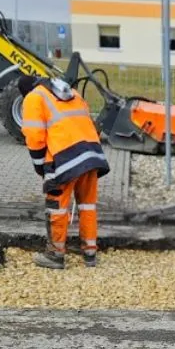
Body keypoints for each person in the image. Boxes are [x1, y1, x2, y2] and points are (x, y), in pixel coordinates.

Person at [18, 74, 110, 269]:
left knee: (57, 207)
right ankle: (90, 253)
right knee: (87, 206)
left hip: (63, 159)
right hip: (91, 154)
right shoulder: (71, 92)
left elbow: (34, 136)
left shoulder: (34, 97)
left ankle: (55, 254)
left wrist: (40, 166)